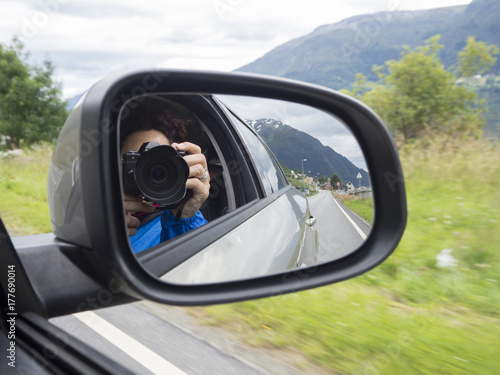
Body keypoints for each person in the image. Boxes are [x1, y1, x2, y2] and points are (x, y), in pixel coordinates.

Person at [120, 103, 210, 253]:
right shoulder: (98, 211)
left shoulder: (178, 220)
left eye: (158, 161)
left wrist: (184, 216)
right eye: (136, 160)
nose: (148, 171)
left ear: (179, 168)